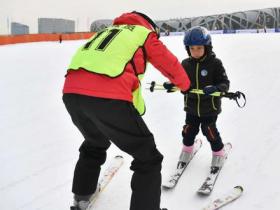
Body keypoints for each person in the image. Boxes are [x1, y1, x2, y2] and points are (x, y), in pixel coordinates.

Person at [62, 11, 190, 210]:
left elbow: (128, 87)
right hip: (108, 98)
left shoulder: (105, 33)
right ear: (150, 27)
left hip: (72, 94)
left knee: (95, 142)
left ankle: (81, 198)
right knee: (148, 157)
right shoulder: (143, 34)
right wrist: (185, 85)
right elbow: (168, 63)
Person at [163, 26, 230, 169]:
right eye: (192, 48)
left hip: (209, 108)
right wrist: (172, 84)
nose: (196, 52)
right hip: (191, 107)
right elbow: (179, 81)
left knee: (209, 131)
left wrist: (216, 88)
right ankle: (187, 150)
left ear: (207, 46)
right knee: (188, 130)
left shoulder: (215, 63)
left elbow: (225, 83)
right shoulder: (185, 64)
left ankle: (218, 152)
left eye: (199, 48)